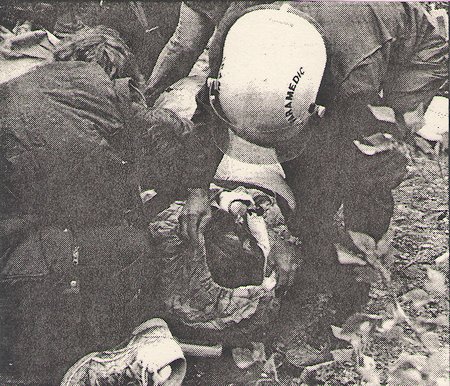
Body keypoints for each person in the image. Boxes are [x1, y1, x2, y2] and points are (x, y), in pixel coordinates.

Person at [180, 1, 448, 327]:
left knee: (371, 159)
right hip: (342, 35)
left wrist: (318, 218)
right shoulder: (235, 31)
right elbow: (209, 111)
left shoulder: (352, 76)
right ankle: (310, 238)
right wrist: (195, 189)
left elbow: (360, 151)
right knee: (314, 164)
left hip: (409, 45)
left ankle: (356, 285)